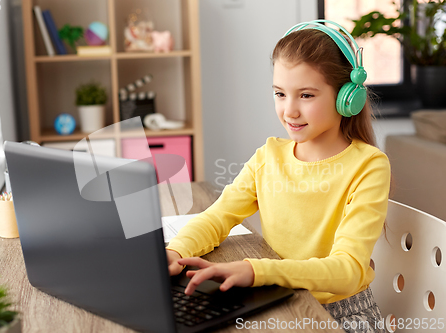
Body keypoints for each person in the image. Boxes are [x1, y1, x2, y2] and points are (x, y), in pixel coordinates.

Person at [166, 20, 390, 333]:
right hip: (279, 297)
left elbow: (348, 269)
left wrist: (254, 271)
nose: (290, 111)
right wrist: (175, 251)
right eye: (280, 94)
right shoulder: (268, 156)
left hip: (340, 315)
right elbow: (217, 217)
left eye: (307, 96)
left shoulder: (368, 166)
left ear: (346, 97)